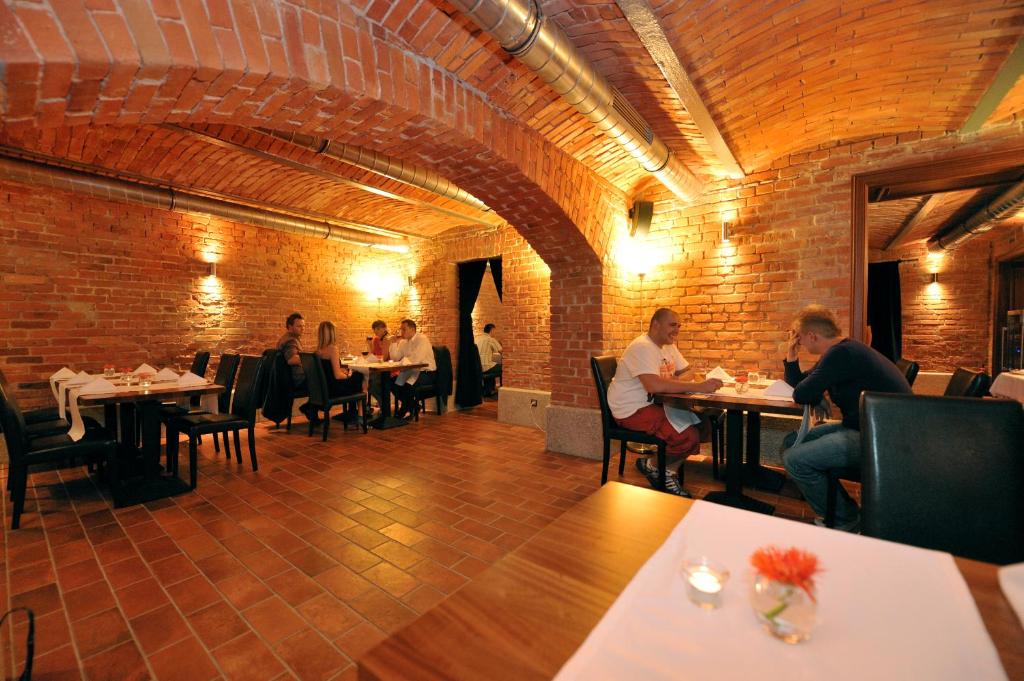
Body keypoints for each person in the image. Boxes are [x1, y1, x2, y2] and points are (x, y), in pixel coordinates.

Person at [781, 304, 911, 532]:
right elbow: (802, 386)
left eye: (799, 338)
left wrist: (814, 394)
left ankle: (845, 518)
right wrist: (791, 357)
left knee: (794, 459)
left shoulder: (841, 354)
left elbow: (802, 393)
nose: (799, 342)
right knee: (791, 442)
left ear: (811, 336)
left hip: (882, 440)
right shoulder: (842, 350)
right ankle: (833, 504)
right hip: (867, 428)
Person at [607, 308, 723, 497]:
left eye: (679, 326)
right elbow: (653, 385)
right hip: (631, 408)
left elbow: (687, 371)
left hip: (655, 403)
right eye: (672, 325)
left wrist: (678, 383)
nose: (677, 330)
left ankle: (652, 464)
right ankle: (663, 472)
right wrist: (698, 387)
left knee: (704, 425)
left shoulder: (668, 345)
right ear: (655, 324)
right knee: (688, 436)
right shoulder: (642, 347)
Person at [389, 319, 437, 418]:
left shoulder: (422, 339)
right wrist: (393, 343)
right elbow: (395, 358)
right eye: (401, 329)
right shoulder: (403, 342)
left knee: (407, 385)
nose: (401, 332)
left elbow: (417, 359)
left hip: (426, 372)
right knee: (392, 383)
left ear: (412, 329)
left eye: (404, 329)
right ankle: (414, 406)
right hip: (410, 372)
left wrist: (403, 362)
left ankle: (404, 410)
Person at [277, 312, 318, 423]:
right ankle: (309, 408)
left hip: (293, 379)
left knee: (321, 378)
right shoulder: (290, 340)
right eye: (299, 326)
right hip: (298, 380)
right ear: (290, 327)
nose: (302, 328)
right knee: (325, 381)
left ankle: (311, 410)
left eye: (303, 326)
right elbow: (291, 360)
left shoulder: (289, 338)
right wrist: (313, 358)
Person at [315, 321, 367, 400]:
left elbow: (328, 370)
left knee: (354, 377)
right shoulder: (332, 349)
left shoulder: (318, 350)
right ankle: (362, 410)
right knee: (359, 375)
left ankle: (356, 410)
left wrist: (341, 371)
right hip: (335, 390)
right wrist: (348, 376)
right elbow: (337, 376)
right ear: (331, 333)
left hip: (325, 389)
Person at [476, 323, 503, 398]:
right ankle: (502, 391)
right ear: (492, 330)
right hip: (487, 367)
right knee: (503, 368)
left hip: (478, 367)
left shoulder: (477, 338)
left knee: (491, 365)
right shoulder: (491, 339)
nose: (495, 333)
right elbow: (501, 351)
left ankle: (488, 390)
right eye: (495, 331)